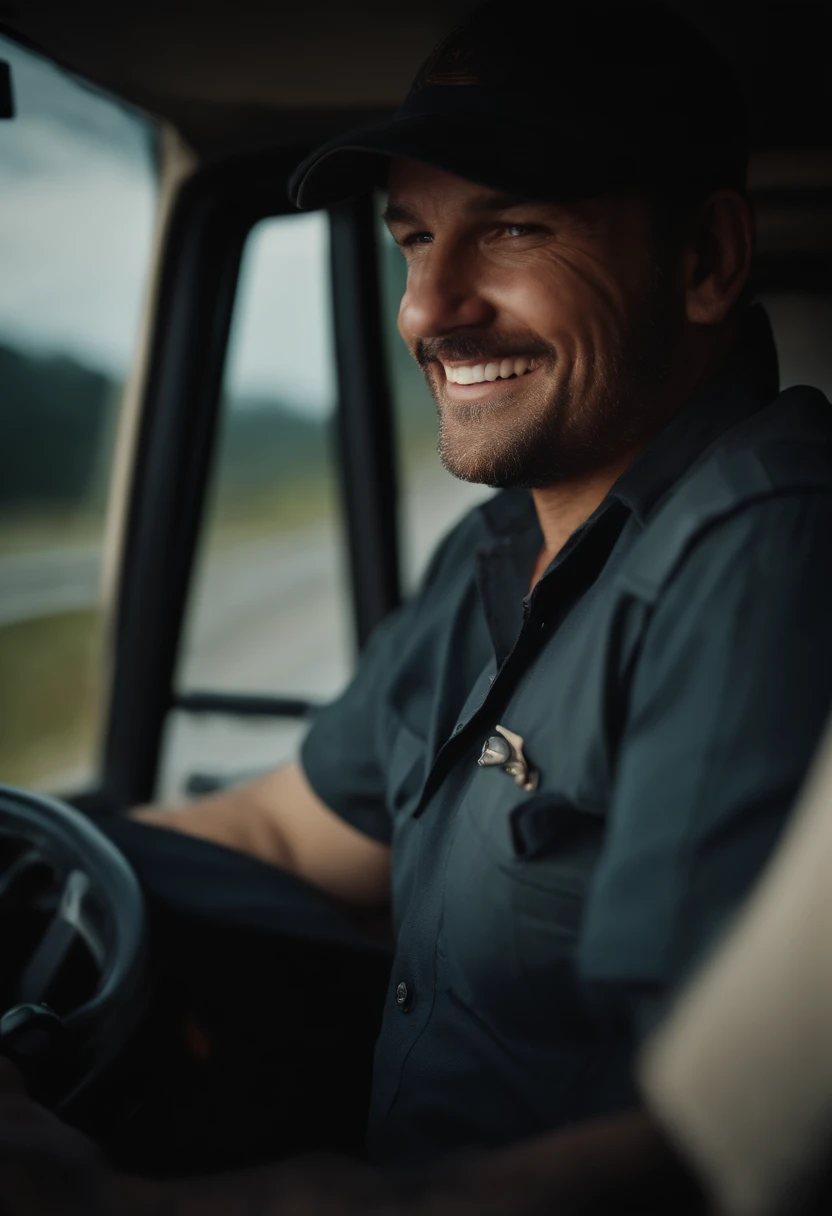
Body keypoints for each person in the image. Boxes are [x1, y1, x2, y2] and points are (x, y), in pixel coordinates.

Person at [3, 1, 832, 1212]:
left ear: (705, 260)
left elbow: (698, 1158)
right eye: (411, 240)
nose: (427, 308)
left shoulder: (768, 548)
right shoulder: (501, 543)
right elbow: (288, 834)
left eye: (513, 229)